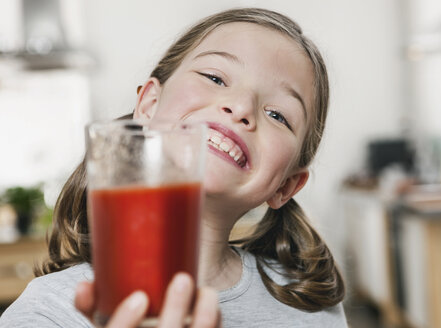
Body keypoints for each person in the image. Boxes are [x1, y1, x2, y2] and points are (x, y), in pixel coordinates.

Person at [0, 7, 347, 328]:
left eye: (278, 115)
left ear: (285, 186)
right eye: (215, 77)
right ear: (149, 105)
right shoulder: (48, 310)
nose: (241, 106)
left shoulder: (311, 308)